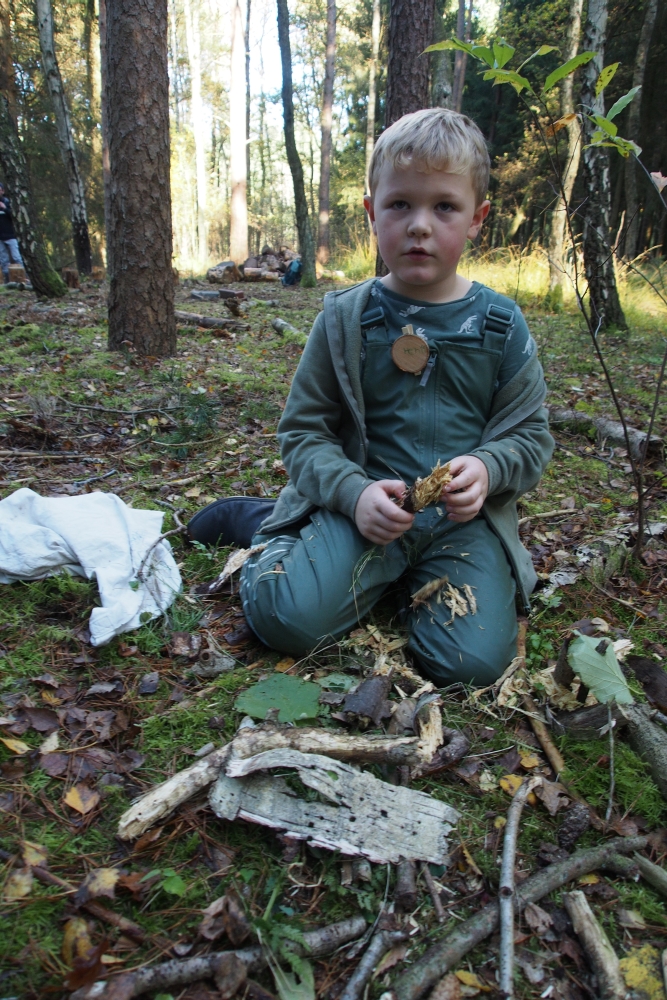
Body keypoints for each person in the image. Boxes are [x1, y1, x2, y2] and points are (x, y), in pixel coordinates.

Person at [188, 108, 554, 687]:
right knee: (284, 619)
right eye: (400, 204)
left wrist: (488, 466)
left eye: (445, 207)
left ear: (478, 217)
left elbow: (532, 438)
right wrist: (354, 493)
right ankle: (272, 526)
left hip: (460, 527)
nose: (419, 226)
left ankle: (391, 578)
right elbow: (303, 433)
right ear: (370, 212)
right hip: (361, 513)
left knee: (472, 666)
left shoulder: (500, 325)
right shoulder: (344, 320)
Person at [0, 183, 25, 282]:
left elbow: (15, 217)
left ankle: (24, 278)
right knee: (3, 260)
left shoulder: (8, 203)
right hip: (0, 238)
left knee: (17, 257)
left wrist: (4, 208)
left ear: (3, 191)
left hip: (11, 235)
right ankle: (7, 280)